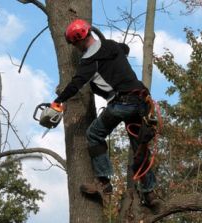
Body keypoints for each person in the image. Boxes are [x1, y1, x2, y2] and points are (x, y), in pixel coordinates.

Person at [54, 19, 159, 207]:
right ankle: (149, 193)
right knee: (139, 146)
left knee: (94, 134)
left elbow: (76, 84)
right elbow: (125, 48)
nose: (76, 48)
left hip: (122, 103)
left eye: (74, 44)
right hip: (143, 102)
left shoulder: (89, 61)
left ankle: (103, 182)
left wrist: (58, 101)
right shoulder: (111, 45)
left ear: (78, 41)